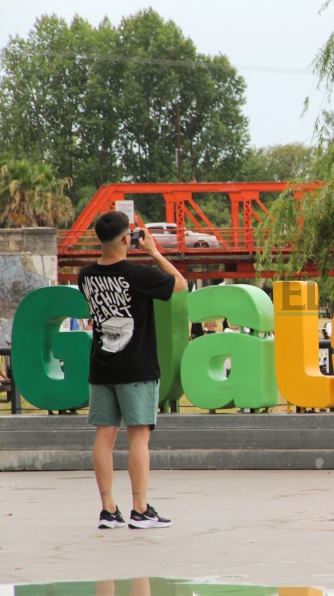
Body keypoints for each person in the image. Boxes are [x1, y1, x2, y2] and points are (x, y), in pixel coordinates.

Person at [78, 212, 187, 529]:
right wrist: (154, 252)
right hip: (137, 368)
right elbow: (180, 285)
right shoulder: (138, 276)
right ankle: (140, 509)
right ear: (127, 239)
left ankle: (108, 509)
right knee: (139, 438)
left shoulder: (86, 276)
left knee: (104, 436)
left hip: (102, 367)